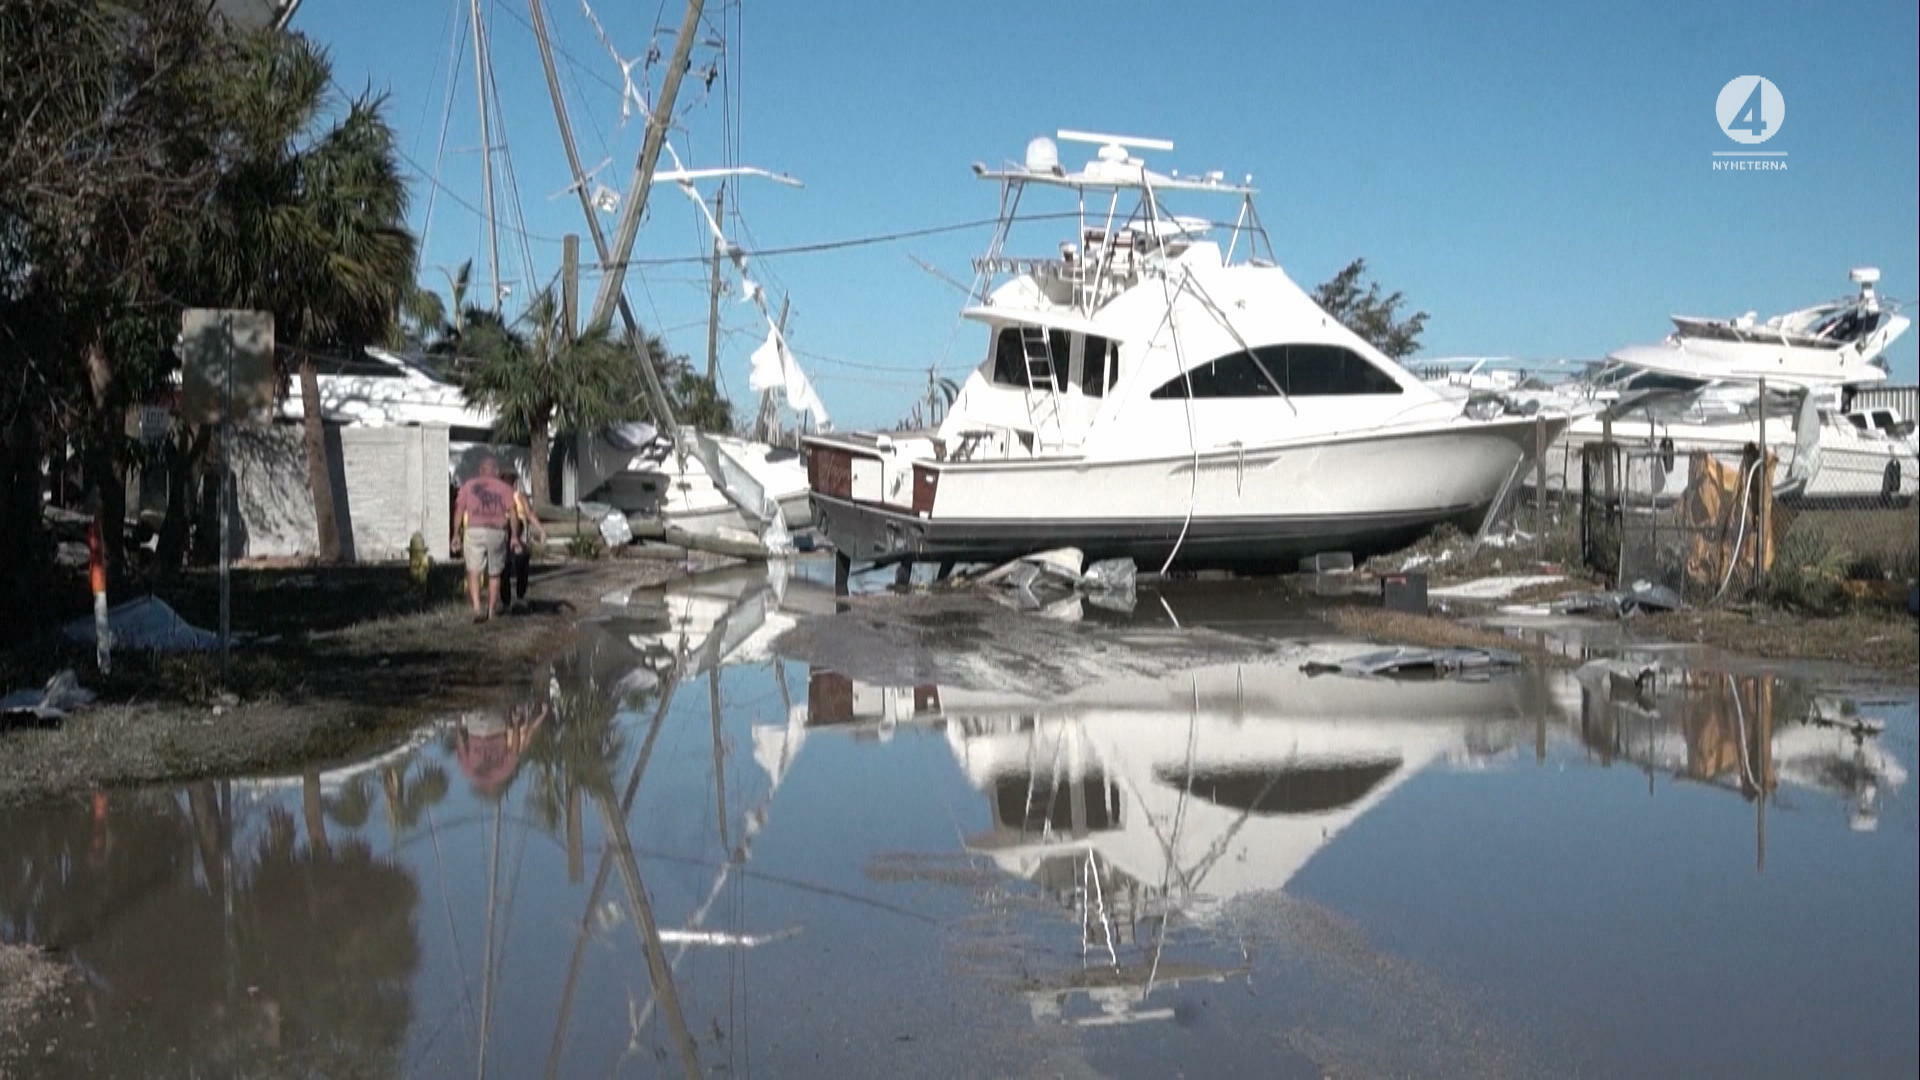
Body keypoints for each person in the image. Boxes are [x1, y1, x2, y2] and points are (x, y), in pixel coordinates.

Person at [451, 456, 517, 621]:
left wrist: (455, 534)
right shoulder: (505, 488)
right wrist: (514, 536)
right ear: (496, 471)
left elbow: (459, 510)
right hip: (496, 531)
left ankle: (476, 608)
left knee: (473, 571)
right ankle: (491, 611)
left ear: (480, 471)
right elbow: (513, 513)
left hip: (474, 530)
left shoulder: (468, 486)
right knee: (495, 573)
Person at [498, 466, 547, 613]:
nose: (508, 484)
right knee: (503, 568)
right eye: (505, 481)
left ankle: (520, 596)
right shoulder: (498, 498)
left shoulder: (520, 497)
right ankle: (505, 601)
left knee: (522, 566)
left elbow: (530, 514)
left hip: (521, 535)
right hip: (504, 535)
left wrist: (541, 530)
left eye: (510, 481)